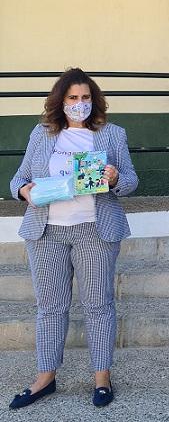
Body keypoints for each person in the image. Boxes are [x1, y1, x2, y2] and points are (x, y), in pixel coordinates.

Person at [9, 68, 138, 409]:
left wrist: (114, 179)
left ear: (93, 101)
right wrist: (24, 190)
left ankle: (101, 378)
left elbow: (131, 180)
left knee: (98, 305)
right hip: (46, 232)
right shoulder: (42, 135)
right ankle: (45, 376)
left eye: (85, 98)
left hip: (94, 230)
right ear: (60, 101)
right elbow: (18, 179)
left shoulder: (112, 135)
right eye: (72, 98)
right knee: (50, 307)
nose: (79, 104)